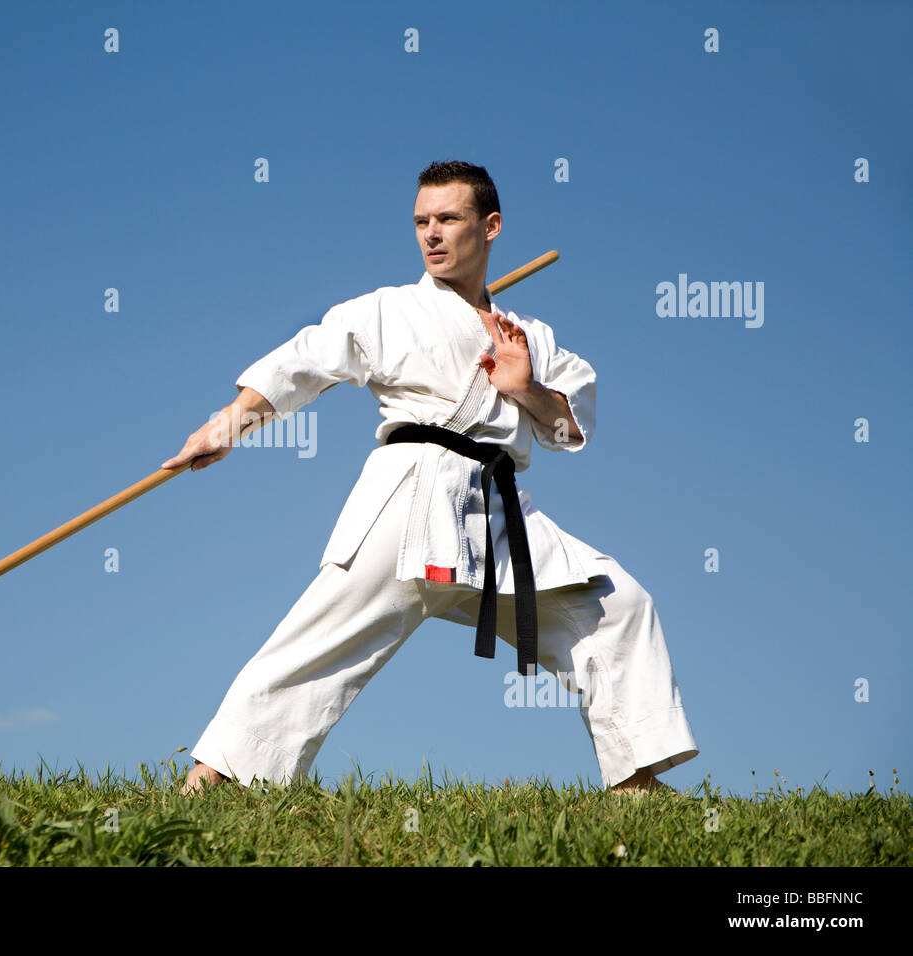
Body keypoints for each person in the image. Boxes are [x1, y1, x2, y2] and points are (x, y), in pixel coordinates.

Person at [162, 160, 698, 797]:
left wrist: (525, 386)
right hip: (411, 496)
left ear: (490, 226)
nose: (432, 234)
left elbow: (568, 431)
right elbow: (305, 359)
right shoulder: (390, 310)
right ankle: (216, 776)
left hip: (498, 511)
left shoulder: (531, 337)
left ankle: (635, 781)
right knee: (322, 638)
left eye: (448, 218)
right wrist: (228, 425)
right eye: (422, 221)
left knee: (616, 605)